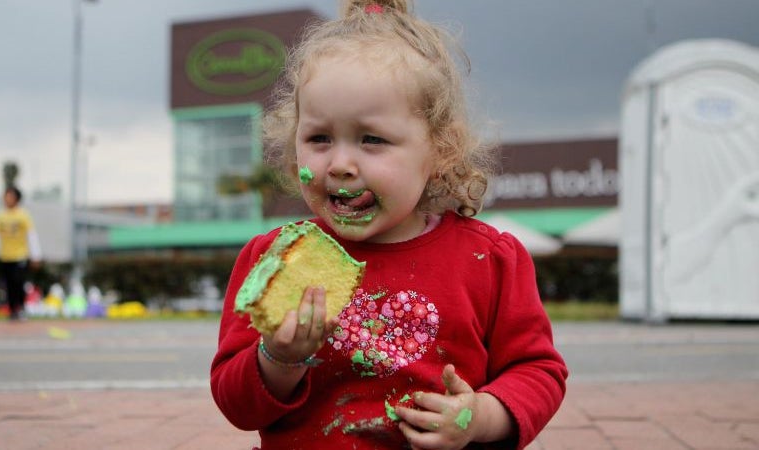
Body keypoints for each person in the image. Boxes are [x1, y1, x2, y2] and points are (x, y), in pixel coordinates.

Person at [210, 1, 568, 448]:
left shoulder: (488, 259)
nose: (340, 164)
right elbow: (236, 405)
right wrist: (278, 359)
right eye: (319, 138)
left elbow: (539, 373)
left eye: (372, 139)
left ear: (441, 149)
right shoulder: (274, 261)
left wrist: (479, 417)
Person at [0, 186, 42, 321]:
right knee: (8, 285)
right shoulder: (0, 216)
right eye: (5, 196)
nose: (7, 199)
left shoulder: (23, 215)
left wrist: (36, 256)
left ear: (16, 199)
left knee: (18, 282)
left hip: (20, 256)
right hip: (5, 256)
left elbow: (31, 236)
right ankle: (12, 311)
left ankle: (21, 308)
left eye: (10, 196)